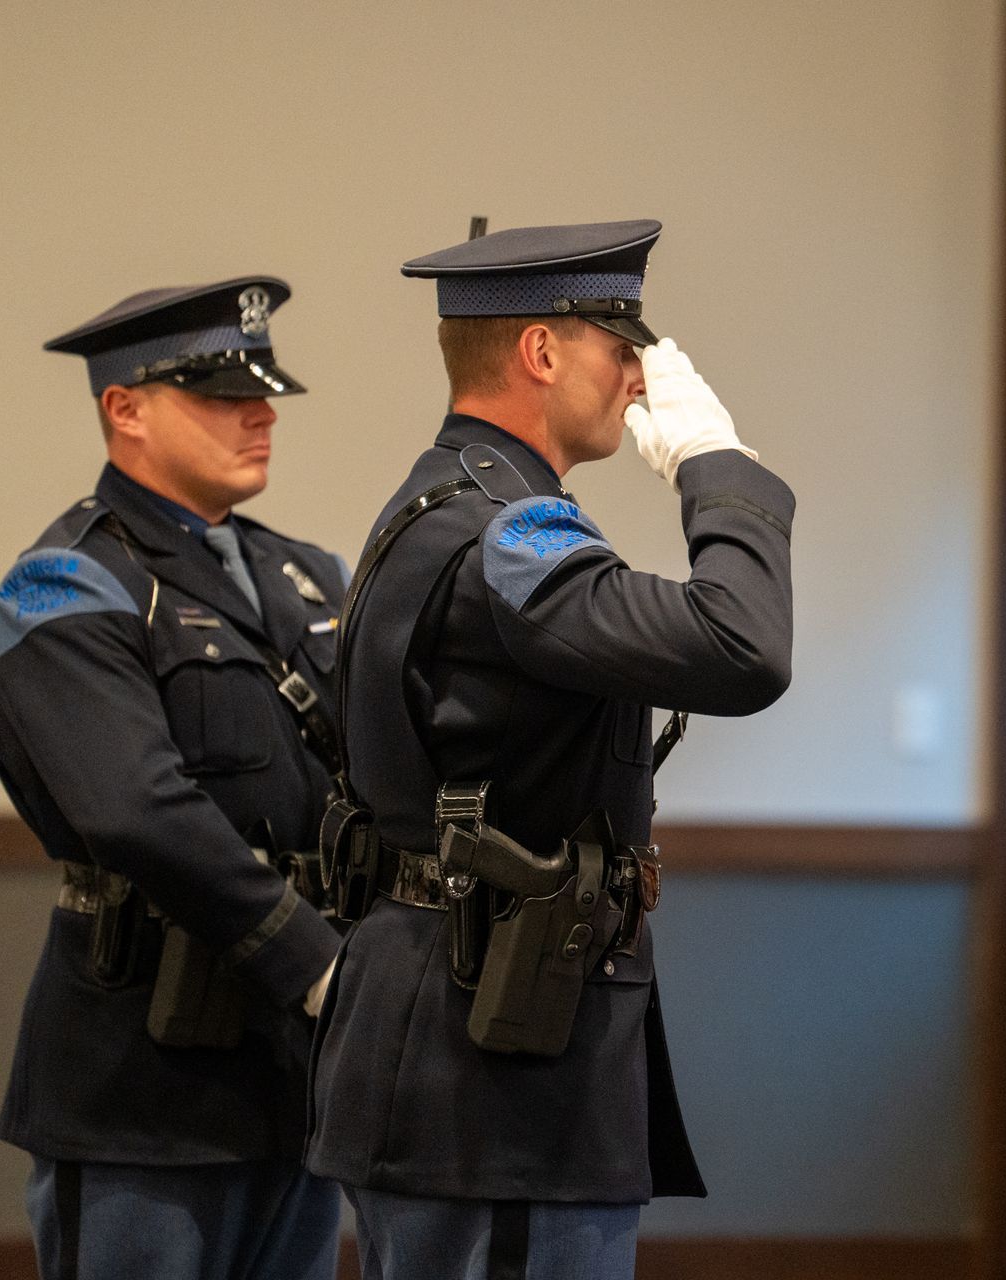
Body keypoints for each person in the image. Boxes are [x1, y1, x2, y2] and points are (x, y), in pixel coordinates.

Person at [305, 220, 796, 1280]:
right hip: (495, 1074)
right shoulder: (508, 534)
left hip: (454, 1034)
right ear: (540, 352)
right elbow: (745, 646)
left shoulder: (439, 506)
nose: (637, 373)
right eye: (619, 341)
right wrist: (721, 470)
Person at [0, 278, 347, 1279]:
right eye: (223, 391)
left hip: (297, 1069)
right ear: (124, 407)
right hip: (146, 1073)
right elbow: (134, 806)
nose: (260, 411)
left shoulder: (312, 579)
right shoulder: (64, 583)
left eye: (262, 390)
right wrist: (316, 962)